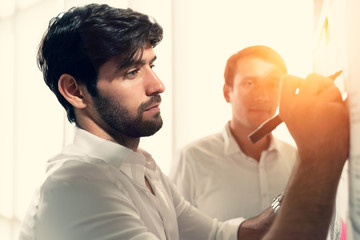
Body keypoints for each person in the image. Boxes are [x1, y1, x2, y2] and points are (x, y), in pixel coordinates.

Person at [18, 3, 349, 240]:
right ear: (75, 90)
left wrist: (292, 183)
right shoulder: (76, 190)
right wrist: (318, 155)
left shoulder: (142, 167)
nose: (157, 85)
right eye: (132, 71)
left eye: (151, 65)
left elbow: (222, 234)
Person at [169, 45, 299, 221]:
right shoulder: (191, 159)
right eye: (250, 83)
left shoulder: (297, 160)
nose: (262, 96)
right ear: (227, 92)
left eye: (273, 84)